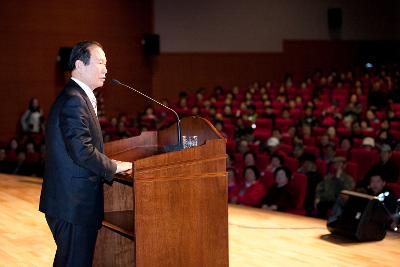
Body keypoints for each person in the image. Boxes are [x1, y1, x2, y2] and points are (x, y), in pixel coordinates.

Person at [39, 41, 131, 267]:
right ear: (79, 65)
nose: (106, 69)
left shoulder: (77, 96)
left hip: (71, 203)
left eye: (106, 64)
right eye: (100, 62)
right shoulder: (74, 100)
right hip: (73, 205)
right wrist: (113, 166)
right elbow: (81, 149)